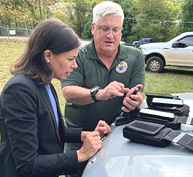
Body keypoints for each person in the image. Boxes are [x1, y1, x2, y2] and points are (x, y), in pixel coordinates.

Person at [0, 18, 111, 177]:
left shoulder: (45, 83)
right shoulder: (19, 90)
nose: (74, 65)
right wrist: (80, 154)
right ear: (48, 55)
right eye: (70, 58)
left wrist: (87, 135)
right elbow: (28, 165)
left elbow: (52, 130)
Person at [61, 1, 145, 176]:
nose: (110, 35)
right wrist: (99, 93)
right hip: (80, 134)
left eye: (115, 30)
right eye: (104, 29)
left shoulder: (135, 56)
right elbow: (68, 92)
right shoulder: (80, 55)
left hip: (117, 135)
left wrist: (136, 100)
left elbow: (138, 92)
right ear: (93, 28)